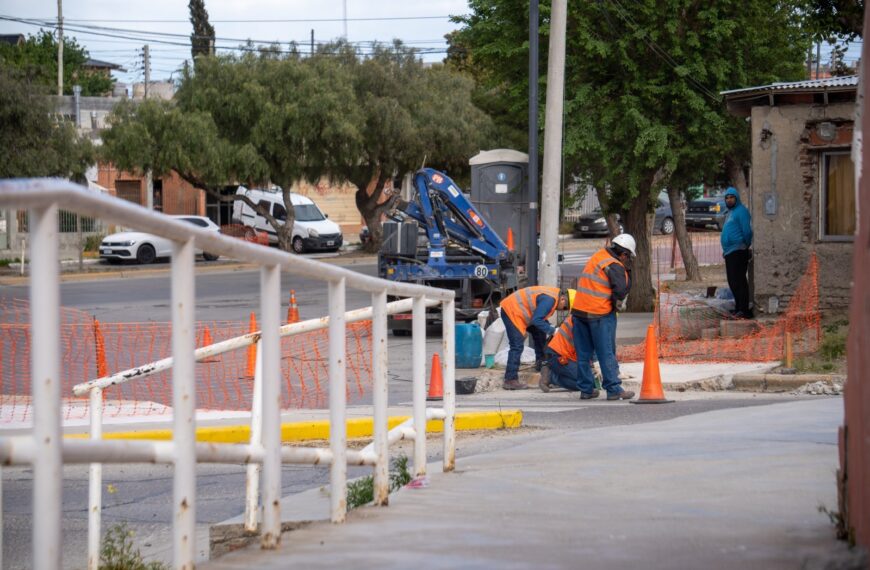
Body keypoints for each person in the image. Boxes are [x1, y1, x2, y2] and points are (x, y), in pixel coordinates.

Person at [570, 234, 636, 401]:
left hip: (579, 312)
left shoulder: (598, 256)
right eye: (627, 257)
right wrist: (628, 273)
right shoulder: (614, 265)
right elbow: (620, 291)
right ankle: (613, 389)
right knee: (606, 352)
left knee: (583, 354)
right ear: (624, 254)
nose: (626, 260)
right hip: (599, 314)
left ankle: (586, 389)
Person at [499, 286, 569, 390]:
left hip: (522, 311)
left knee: (540, 333)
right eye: (565, 307)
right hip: (512, 311)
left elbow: (538, 319)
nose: (562, 310)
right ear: (563, 299)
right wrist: (553, 331)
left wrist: (549, 329)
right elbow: (537, 320)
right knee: (517, 345)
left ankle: (541, 367)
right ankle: (510, 379)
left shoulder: (553, 297)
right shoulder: (550, 300)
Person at [720, 187, 753, 319]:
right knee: (732, 281)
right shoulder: (730, 213)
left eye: (732, 197)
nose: (729, 200)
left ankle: (744, 310)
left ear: (736, 198)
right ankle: (738, 307)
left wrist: (745, 244)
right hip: (729, 252)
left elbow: (747, 231)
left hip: (738, 250)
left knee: (739, 280)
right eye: (727, 198)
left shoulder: (741, 211)